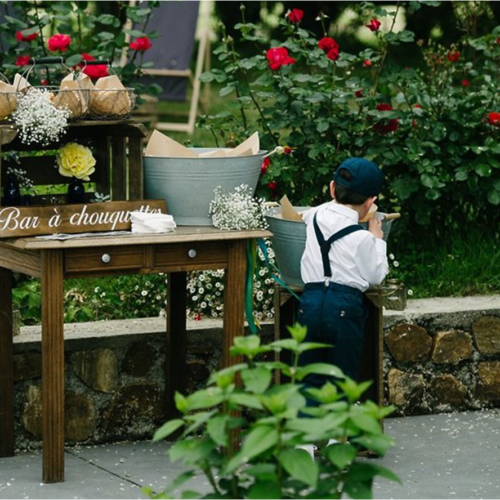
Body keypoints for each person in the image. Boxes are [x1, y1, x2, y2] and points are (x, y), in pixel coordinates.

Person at [298, 156, 388, 399]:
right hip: (344, 307)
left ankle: (305, 436)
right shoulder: (364, 238)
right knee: (341, 380)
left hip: (311, 302)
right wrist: (378, 241)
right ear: (371, 203)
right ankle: (336, 436)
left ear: (332, 188)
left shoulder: (315, 217)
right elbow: (375, 276)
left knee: (308, 377)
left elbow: (308, 214)